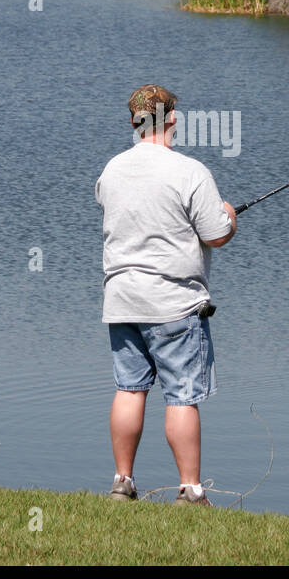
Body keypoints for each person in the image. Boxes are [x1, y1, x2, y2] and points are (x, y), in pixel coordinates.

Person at [95, 84, 237, 506]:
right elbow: (216, 235)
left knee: (129, 389)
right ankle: (190, 491)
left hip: (121, 301)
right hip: (173, 303)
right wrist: (229, 216)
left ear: (134, 122)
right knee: (182, 396)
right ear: (173, 119)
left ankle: (122, 483)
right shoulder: (190, 171)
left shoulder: (112, 170)